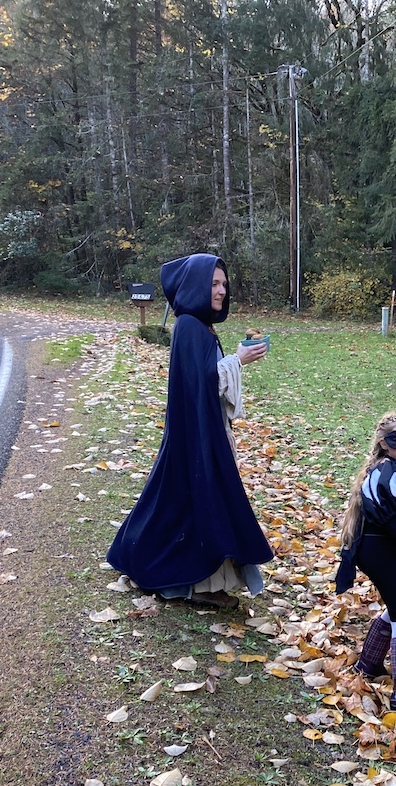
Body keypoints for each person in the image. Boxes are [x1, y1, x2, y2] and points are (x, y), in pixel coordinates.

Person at [107, 253, 273, 608]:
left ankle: (199, 577)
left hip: (203, 429)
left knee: (192, 496)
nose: (222, 291)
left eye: (224, 284)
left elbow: (205, 379)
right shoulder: (189, 327)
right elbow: (202, 382)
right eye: (213, 284)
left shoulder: (200, 326)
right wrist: (237, 360)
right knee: (193, 497)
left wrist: (235, 361)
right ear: (197, 286)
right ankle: (195, 583)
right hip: (194, 434)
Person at [335, 410, 396, 709]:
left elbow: (382, 522)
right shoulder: (391, 472)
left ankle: (368, 663)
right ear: (384, 442)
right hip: (375, 549)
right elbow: (391, 523)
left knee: (395, 605)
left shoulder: (384, 468)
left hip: (374, 548)